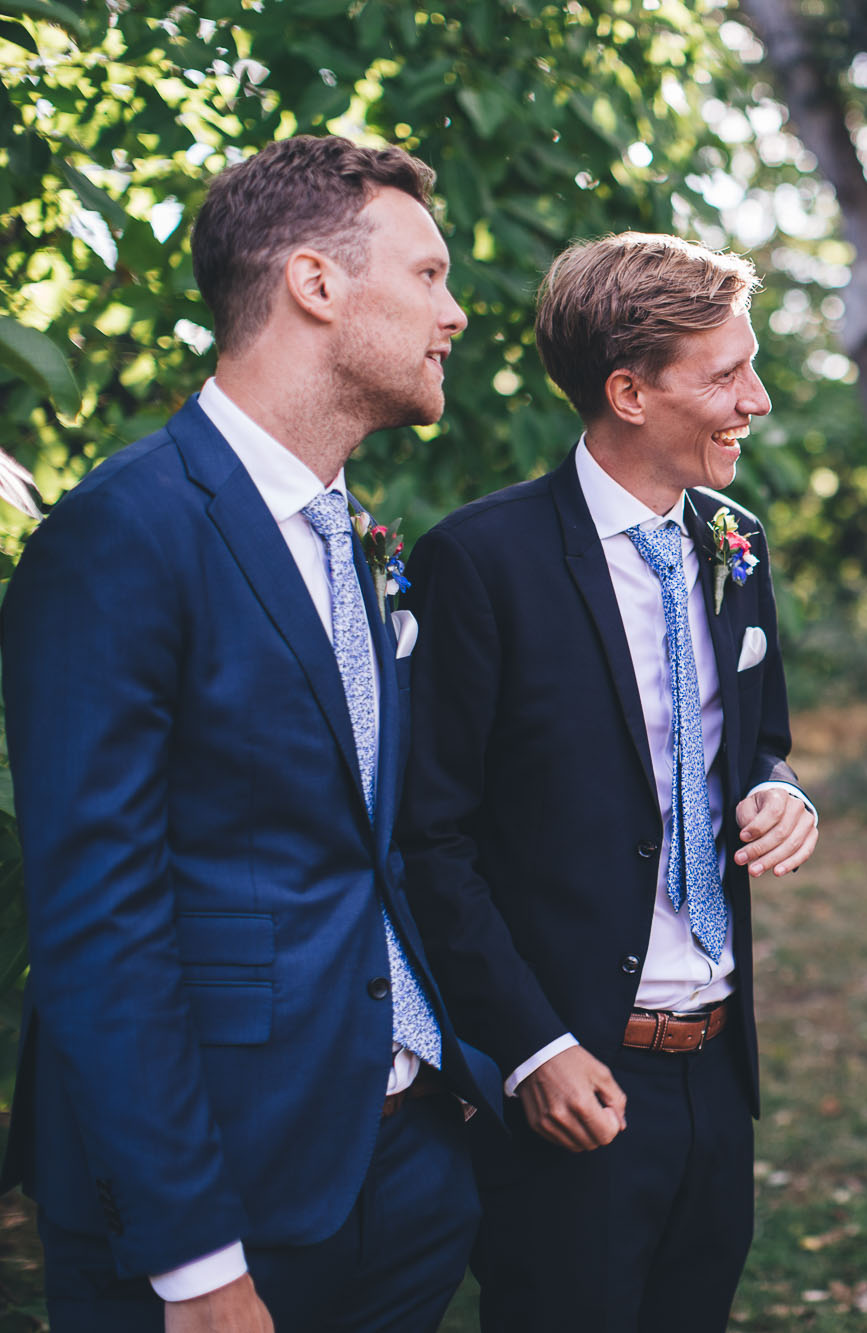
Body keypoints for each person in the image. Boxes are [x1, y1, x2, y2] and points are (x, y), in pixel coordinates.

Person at [1, 134, 502, 1331]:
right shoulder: (123, 532)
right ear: (315, 284)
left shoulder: (348, 531)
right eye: (428, 275)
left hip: (404, 1170)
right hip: (220, 1197)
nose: (455, 315)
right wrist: (194, 1259)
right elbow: (100, 921)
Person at [397, 232, 818, 1331]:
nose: (757, 400)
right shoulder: (479, 562)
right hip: (569, 1072)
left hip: (717, 1070)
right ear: (629, 393)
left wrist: (783, 791)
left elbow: (757, 742)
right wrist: (531, 1047)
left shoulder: (736, 545)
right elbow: (428, 838)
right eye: (727, 376)